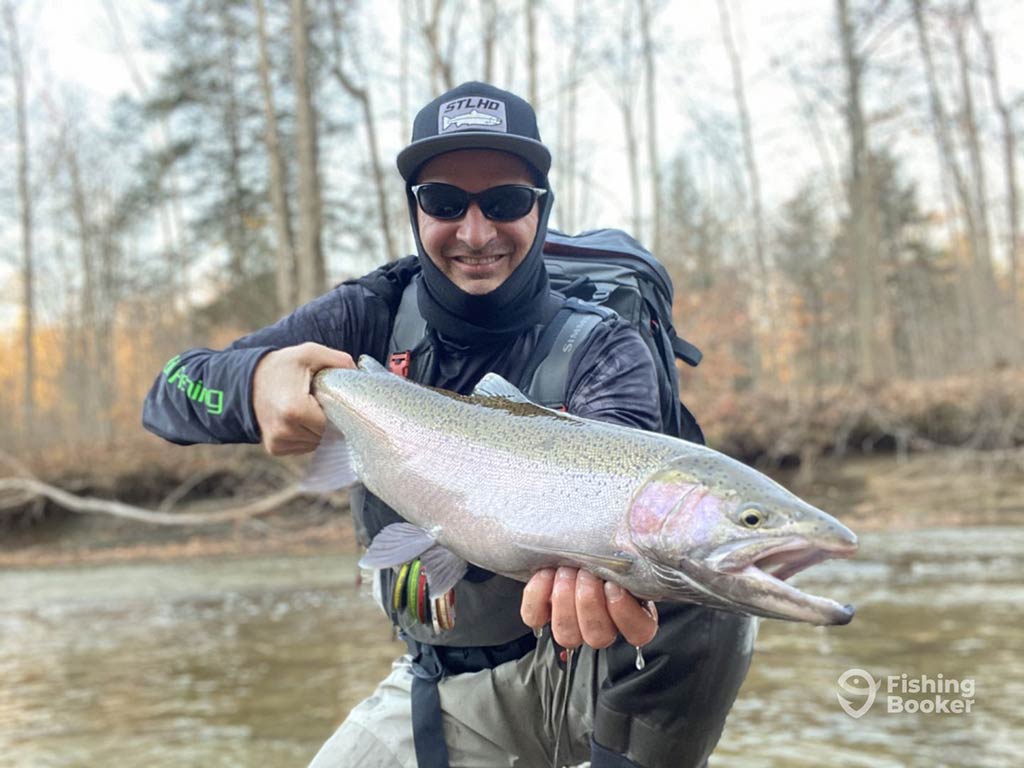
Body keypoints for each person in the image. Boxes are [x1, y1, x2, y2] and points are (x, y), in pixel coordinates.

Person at [142, 82, 753, 768]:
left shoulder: (605, 345)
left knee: (706, 585)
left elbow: (620, 472)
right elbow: (169, 388)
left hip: (575, 669)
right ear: (415, 210)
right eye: (443, 202)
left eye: (505, 202)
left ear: (540, 211)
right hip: (436, 684)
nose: (475, 231)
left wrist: (605, 566)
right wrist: (253, 382)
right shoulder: (366, 313)